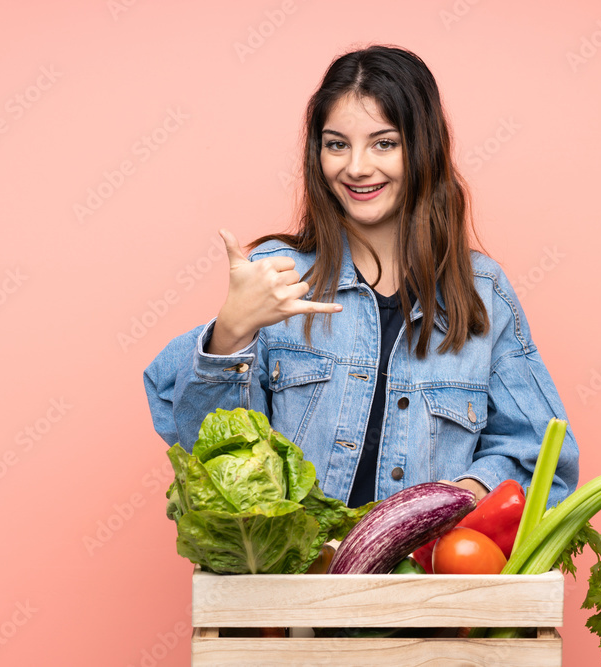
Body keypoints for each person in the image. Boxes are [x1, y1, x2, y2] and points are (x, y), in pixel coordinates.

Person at [144, 44, 578, 509]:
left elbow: (540, 454)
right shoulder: (279, 273)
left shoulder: (482, 292)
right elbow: (209, 453)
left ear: (422, 148)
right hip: (295, 578)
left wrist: (461, 499)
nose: (355, 167)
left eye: (384, 143)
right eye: (337, 144)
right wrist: (229, 334)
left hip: (427, 579)